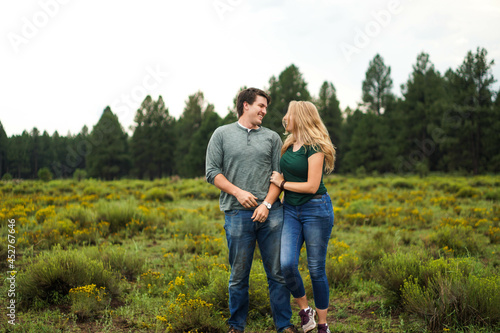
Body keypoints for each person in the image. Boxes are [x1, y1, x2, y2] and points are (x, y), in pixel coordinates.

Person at [206, 88, 297, 333]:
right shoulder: (221, 134)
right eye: (261, 106)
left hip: (271, 214)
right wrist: (238, 192)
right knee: (238, 275)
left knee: (277, 273)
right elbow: (212, 173)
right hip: (237, 213)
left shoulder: (272, 137)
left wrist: (266, 204)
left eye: (266, 107)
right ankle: (236, 325)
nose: (264, 111)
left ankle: (284, 325)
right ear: (245, 105)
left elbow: (279, 177)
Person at [270, 101, 336, 333]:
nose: (284, 118)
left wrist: (283, 183)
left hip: (316, 209)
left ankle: (322, 324)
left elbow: (311, 186)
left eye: (288, 115)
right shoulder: (288, 146)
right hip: (290, 210)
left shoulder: (314, 147)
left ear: (299, 117)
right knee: (286, 264)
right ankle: (305, 311)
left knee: (316, 268)